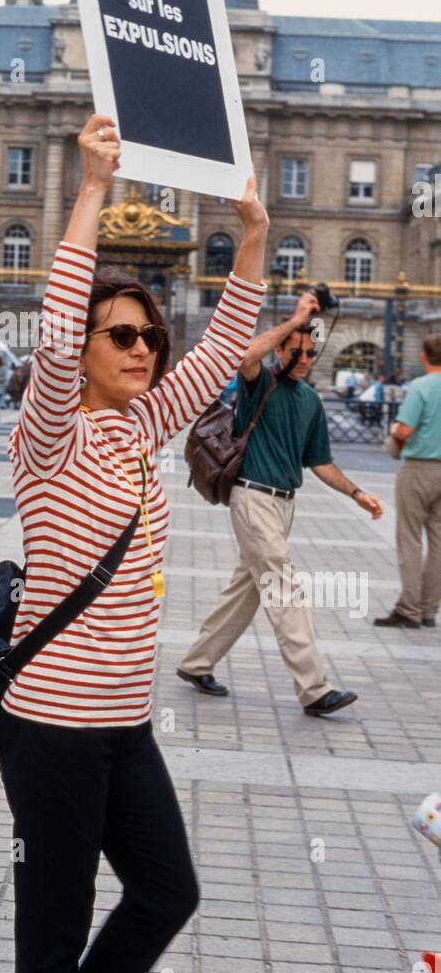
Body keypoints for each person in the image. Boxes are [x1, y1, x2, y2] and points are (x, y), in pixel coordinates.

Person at [0, 113, 269, 973]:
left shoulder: (139, 428)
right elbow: (53, 323)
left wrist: (255, 233)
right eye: (121, 335)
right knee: (53, 926)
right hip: (51, 725)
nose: (144, 346)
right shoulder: (52, 436)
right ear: (78, 352)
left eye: (150, 335)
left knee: (165, 893)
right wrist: (90, 190)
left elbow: (221, 347)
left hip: (122, 722)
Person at [178, 305, 384, 716]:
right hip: (253, 498)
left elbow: (319, 461)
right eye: (296, 351)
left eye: (311, 353)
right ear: (281, 351)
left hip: (284, 505)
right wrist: (293, 322)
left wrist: (357, 493)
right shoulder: (261, 384)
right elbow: (246, 358)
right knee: (285, 591)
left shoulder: (310, 400)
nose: (304, 359)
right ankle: (314, 689)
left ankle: (196, 662)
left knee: (247, 591)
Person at [375, 335, 441, 628]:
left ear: (425, 356)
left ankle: (409, 609)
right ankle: (429, 609)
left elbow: (404, 430)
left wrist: (394, 430)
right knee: (439, 543)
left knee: (410, 539)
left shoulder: (421, 387)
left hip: (419, 467)